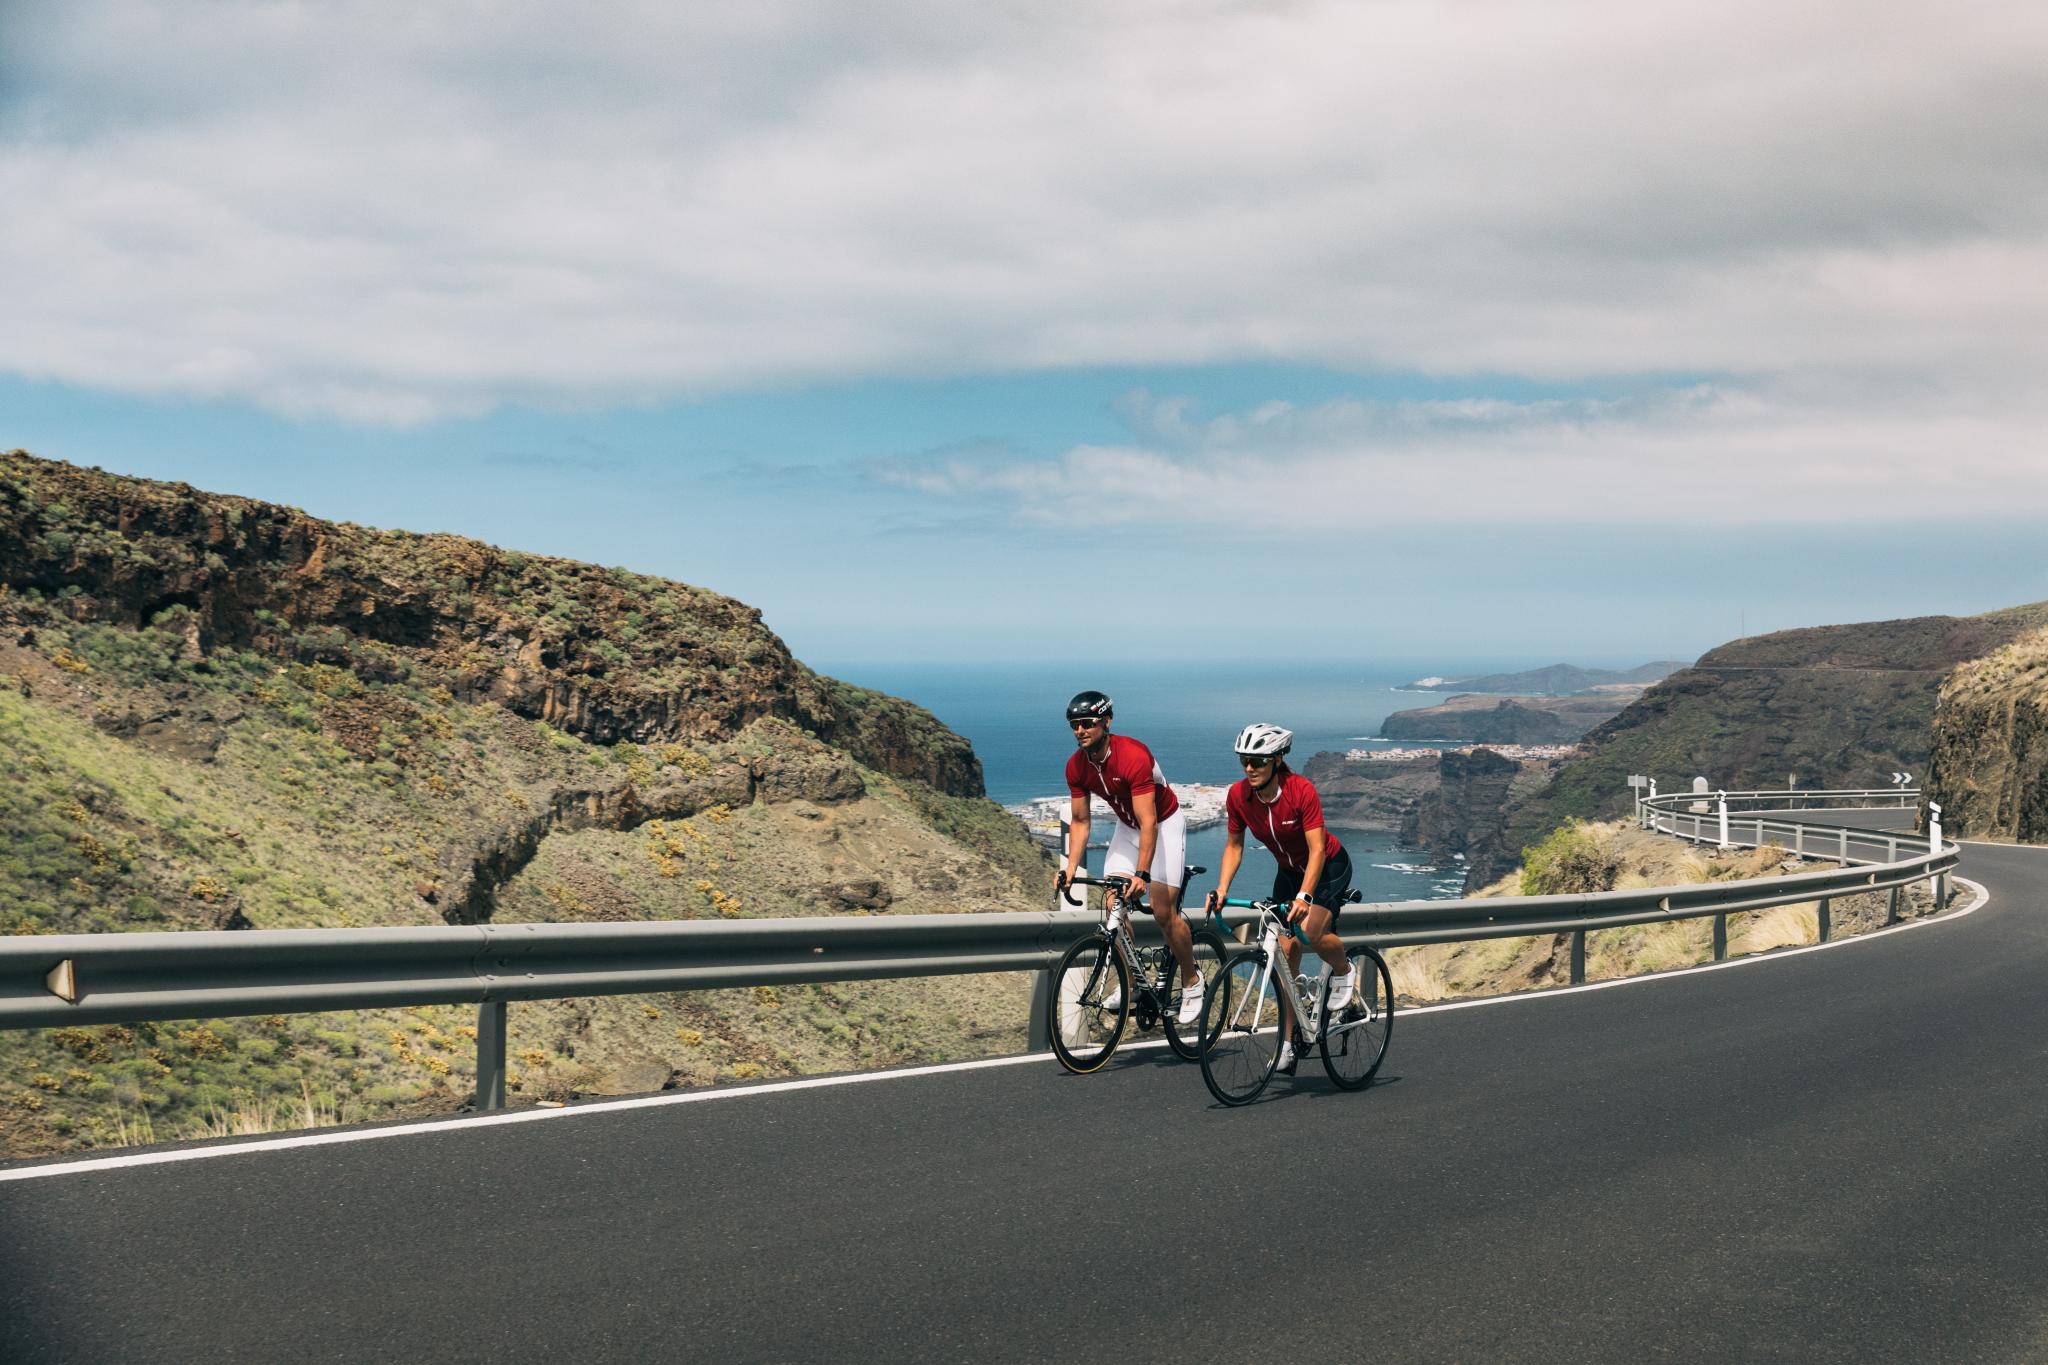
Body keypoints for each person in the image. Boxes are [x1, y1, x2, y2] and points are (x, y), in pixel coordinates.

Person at [1206, 722, 1354, 1072]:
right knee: (1285, 955)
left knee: (1314, 930)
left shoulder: (1301, 790)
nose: (1249, 768)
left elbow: (1317, 850)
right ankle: (1288, 1042)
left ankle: (1344, 969)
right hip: (1288, 871)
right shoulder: (1238, 796)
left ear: (1276, 760)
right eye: (1245, 760)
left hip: (1328, 865)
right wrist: (1222, 889)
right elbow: (1234, 845)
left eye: (1257, 761)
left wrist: (1305, 896)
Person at [1056, 690, 1202, 1025]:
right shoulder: (1076, 766)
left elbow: (1149, 821)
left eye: (1087, 723)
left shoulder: (1133, 756)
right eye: (1075, 725)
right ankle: (1133, 982)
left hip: (1163, 825)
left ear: (1106, 722)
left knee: (1164, 912)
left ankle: (1193, 981)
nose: (1080, 731)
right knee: (1112, 905)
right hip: (1127, 827)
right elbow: (1080, 821)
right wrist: (1070, 869)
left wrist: (1142, 873)